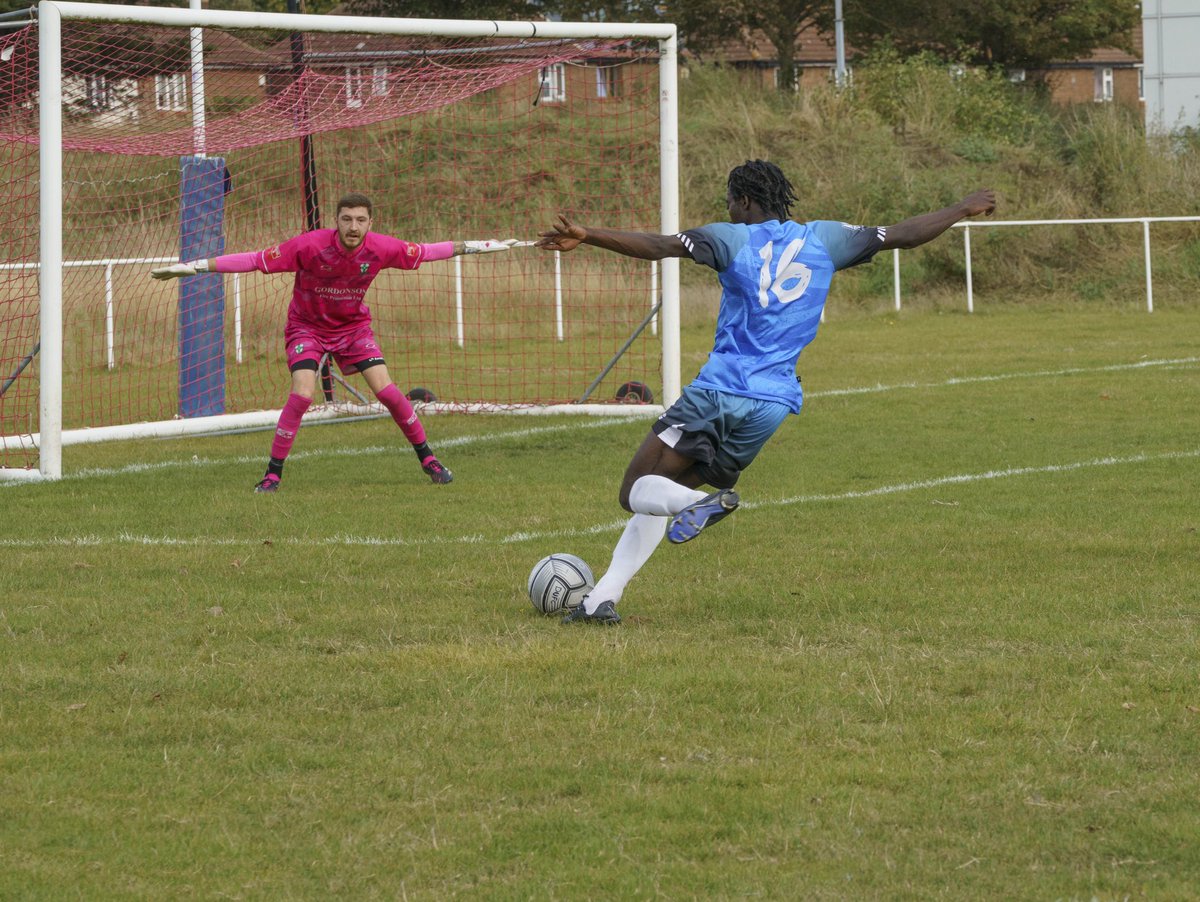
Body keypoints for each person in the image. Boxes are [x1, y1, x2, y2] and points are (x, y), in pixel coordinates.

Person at [536, 160, 996, 624]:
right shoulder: (826, 238)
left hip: (720, 391)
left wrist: (589, 234)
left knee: (635, 490)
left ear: (746, 200)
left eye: (731, 200)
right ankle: (601, 601)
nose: (728, 208)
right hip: (771, 406)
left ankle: (699, 505)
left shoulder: (732, 238)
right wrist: (960, 207)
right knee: (662, 493)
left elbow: (660, 246)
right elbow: (904, 233)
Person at [152, 192, 516, 492]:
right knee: (303, 393)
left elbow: (428, 250)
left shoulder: (381, 248)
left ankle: (429, 459)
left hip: (353, 329)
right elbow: (254, 260)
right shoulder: (308, 246)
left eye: (360, 220)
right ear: (336, 220)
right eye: (346, 219)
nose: (353, 226)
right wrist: (197, 266)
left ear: (370, 223)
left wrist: (481, 246)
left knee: (388, 392)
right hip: (306, 328)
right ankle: (273, 474)